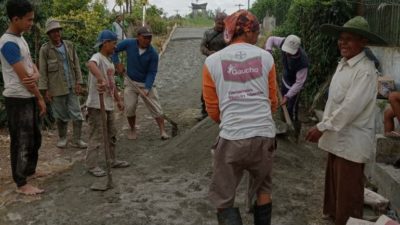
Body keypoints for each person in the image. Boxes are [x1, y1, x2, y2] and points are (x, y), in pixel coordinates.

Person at [305, 16, 387, 225]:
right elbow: (336, 103)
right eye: (341, 38)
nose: (342, 43)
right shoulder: (344, 64)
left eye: (349, 39)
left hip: (351, 142)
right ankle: (334, 218)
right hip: (337, 138)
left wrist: (322, 126)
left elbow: (349, 109)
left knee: (348, 192)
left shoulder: (365, 71)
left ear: (363, 42)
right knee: (335, 187)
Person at [203, 10, 278, 225]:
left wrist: (228, 120)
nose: (258, 35)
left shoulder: (212, 61)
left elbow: (212, 108)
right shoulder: (266, 58)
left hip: (232, 137)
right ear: (248, 31)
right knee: (263, 188)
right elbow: (272, 101)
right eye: (257, 30)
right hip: (264, 136)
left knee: (224, 196)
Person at [0, 0, 46, 195]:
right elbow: (25, 78)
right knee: (22, 141)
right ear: (15, 19)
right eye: (28, 20)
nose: (31, 23)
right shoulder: (8, 43)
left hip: (27, 95)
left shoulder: (20, 38)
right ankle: (21, 183)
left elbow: (31, 66)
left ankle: (30, 171)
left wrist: (35, 75)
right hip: (18, 98)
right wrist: (40, 98)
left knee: (35, 137)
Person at [112, 26, 170, 140]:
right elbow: (114, 50)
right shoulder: (129, 43)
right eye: (145, 38)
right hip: (130, 80)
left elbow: (152, 72)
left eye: (149, 38)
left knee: (156, 107)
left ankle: (162, 130)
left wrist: (147, 88)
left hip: (145, 83)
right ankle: (132, 128)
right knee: (129, 107)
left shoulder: (152, 53)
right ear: (138, 37)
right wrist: (117, 63)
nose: (147, 40)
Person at [85, 30, 129, 177]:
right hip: (97, 104)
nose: (115, 47)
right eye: (114, 44)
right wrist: (100, 78)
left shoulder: (109, 62)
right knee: (96, 135)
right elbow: (90, 65)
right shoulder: (97, 57)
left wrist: (118, 100)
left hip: (108, 103)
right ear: (105, 43)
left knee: (111, 134)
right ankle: (92, 165)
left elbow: (112, 85)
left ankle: (112, 160)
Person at [39, 19, 86, 149]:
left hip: (72, 85)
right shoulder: (45, 50)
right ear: (49, 34)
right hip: (56, 87)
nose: (56, 33)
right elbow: (42, 72)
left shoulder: (69, 45)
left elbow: (76, 65)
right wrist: (45, 90)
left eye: (57, 30)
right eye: (52, 31)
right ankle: (62, 138)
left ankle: (77, 139)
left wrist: (79, 82)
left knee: (77, 113)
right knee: (60, 115)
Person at [265, 34, 309, 122]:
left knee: (291, 109)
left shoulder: (303, 62)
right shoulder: (284, 42)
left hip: (294, 88)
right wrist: (268, 53)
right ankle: (283, 121)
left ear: (296, 50)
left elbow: (299, 83)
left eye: (289, 52)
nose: (286, 53)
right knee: (282, 105)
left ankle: (293, 129)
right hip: (285, 80)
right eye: (286, 50)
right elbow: (271, 39)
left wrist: (288, 96)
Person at [198, 12, 228, 120]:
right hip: (211, 64)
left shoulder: (228, 34)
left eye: (223, 24)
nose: (221, 26)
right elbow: (202, 47)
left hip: (226, 65)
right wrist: (209, 53)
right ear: (215, 22)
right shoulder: (208, 33)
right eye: (219, 23)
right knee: (206, 89)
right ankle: (204, 112)